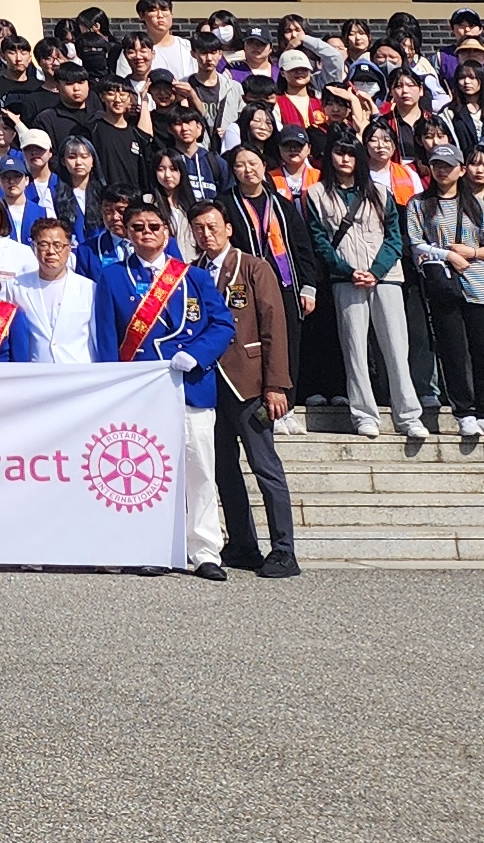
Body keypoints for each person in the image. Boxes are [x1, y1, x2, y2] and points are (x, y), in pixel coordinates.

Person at [90, 197, 237, 579]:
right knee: (150, 475)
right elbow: (106, 340)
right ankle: (153, 545)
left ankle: (204, 551)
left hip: (191, 385)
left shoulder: (193, 277)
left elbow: (222, 325)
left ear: (167, 232)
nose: (146, 234)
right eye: (138, 227)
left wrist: (198, 354)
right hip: (141, 393)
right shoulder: (112, 278)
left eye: (154, 227)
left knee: (200, 470)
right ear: (127, 232)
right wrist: (113, 389)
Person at [192, 198, 299, 578]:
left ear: (228, 228)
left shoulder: (254, 267)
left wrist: (277, 384)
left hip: (249, 382)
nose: (206, 234)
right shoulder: (192, 272)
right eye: (199, 228)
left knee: (264, 466)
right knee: (223, 468)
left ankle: (284, 549)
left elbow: (274, 327)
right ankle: (242, 542)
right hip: (208, 385)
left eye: (212, 226)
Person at [306, 141, 426, 447]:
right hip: (345, 280)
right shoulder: (317, 194)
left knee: (397, 349)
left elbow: (394, 237)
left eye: (350, 153)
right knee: (354, 350)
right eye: (338, 152)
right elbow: (319, 241)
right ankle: (364, 415)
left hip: (386, 278)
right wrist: (347, 270)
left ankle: (409, 415)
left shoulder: (380, 192)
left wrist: (377, 270)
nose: (345, 159)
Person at [410, 147, 484, 449]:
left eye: (449, 166)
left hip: (478, 284)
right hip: (443, 284)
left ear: (461, 169)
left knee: (482, 351)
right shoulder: (420, 204)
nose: (443, 171)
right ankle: (463, 411)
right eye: (437, 165)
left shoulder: (477, 205)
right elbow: (416, 244)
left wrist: (471, 253)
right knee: (452, 350)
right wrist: (448, 254)